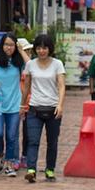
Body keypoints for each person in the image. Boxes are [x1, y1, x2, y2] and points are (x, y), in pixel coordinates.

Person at [22, 33, 68, 181]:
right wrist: (23, 105)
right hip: (34, 108)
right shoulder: (30, 64)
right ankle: (31, 169)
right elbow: (27, 86)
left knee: (52, 141)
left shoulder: (57, 64)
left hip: (53, 108)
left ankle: (50, 169)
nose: (42, 51)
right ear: (35, 49)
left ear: (50, 49)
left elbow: (61, 86)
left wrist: (60, 105)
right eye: (39, 48)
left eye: (45, 48)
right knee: (33, 140)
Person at [0, 36, 28, 173]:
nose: (9, 47)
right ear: (2, 45)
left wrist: (21, 50)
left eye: (12, 45)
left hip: (14, 104)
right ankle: (1, 155)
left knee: (11, 135)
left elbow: (31, 64)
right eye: (6, 44)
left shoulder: (19, 62)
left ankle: (9, 163)